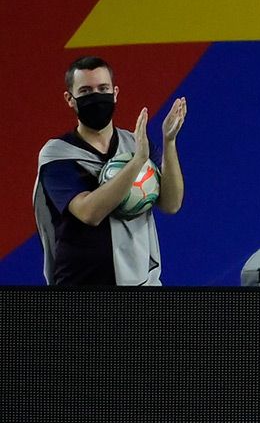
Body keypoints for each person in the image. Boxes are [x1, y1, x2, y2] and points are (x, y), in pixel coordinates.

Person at [33, 56, 187, 286]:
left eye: (102, 89)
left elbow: (171, 203)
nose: (96, 96)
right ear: (70, 99)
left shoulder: (134, 143)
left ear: (115, 93)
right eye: (85, 91)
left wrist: (169, 141)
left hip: (140, 281)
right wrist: (137, 163)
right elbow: (89, 212)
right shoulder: (57, 154)